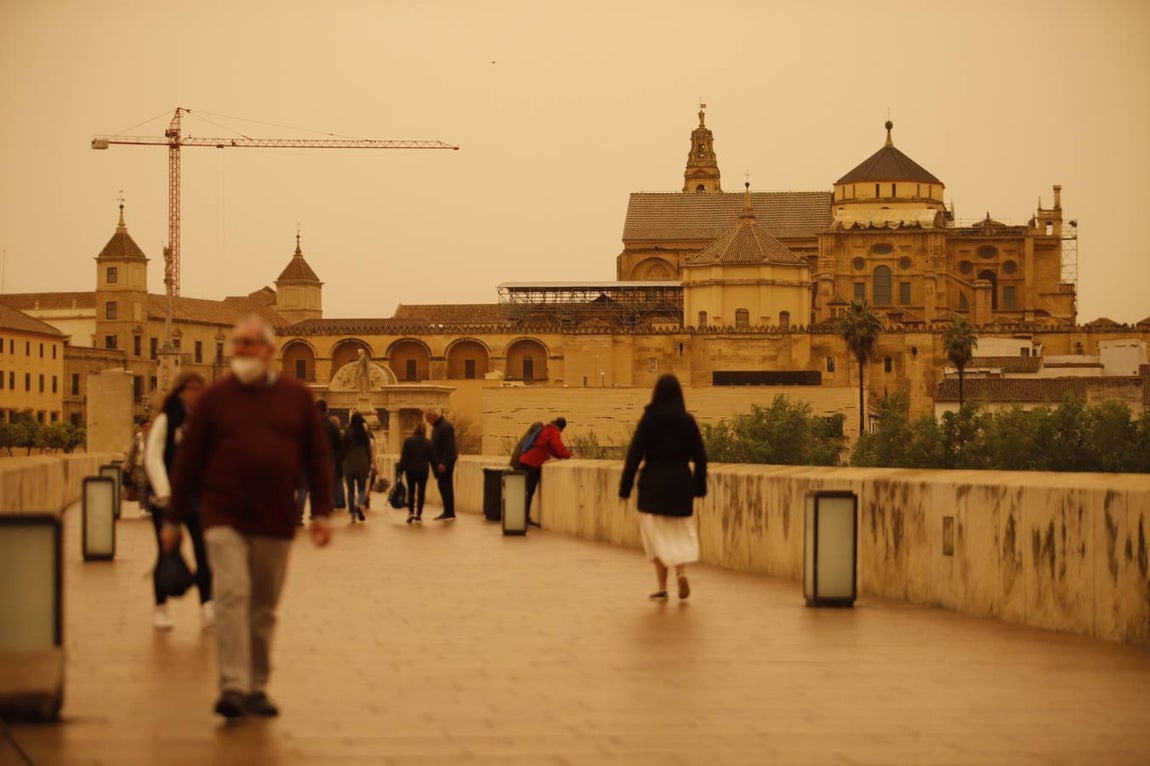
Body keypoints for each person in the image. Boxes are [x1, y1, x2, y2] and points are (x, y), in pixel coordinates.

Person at [163, 315, 334, 721]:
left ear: (270, 351)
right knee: (232, 595)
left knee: (262, 606)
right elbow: (189, 462)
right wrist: (172, 520)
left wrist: (323, 512)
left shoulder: (296, 397)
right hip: (222, 515)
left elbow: (317, 456)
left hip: (275, 518)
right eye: (235, 343)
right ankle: (233, 684)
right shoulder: (215, 399)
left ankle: (257, 686)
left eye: (248, 343)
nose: (239, 351)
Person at [618, 374, 707, 602]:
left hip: (653, 483)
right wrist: (699, 487)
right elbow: (700, 457)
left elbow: (634, 455)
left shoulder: (649, 420)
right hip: (680, 483)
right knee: (679, 532)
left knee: (655, 536)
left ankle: (661, 587)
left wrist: (625, 488)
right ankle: (681, 571)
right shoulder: (687, 421)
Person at [145, 371, 211, 630]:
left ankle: (207, 605)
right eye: (190, 389)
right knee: (166, 552)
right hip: (167, 498)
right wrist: (165, 492)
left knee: (205, 553)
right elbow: (153, 457)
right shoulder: (167, 419)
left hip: (197, 497)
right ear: (179, 391)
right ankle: (160, 607)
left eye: (199, 388)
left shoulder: (205, 422)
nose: (194, 394)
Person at [296, 400, 344, 524]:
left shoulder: (307, 425)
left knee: (303, 490)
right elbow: (339, 445)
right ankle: (315, 514)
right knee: (318, 490)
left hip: (306, 462)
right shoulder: (332, 426)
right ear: (326, 410)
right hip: (325, 463)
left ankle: (297, 516)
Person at [518, 417, 572, 527]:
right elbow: (558, 447)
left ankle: (519, 517)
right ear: (562, 427)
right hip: (532, 463)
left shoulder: (545, 429)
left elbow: (552, 449)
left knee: (524, 491)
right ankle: (524, 518)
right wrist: (568, 456)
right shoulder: (553, 432)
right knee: (529, 491)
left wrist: (561, 455)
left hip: (524, 460)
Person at [397, 421, 435, 523]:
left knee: (411, 491)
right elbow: (432, 459)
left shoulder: (408, 441)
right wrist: (437, 473)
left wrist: (400, 470)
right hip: (423, 470)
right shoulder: (428, 443)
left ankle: (411, 512)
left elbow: (404, 457)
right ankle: (419, 513)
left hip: (411, 470)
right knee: (421, 492)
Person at [340, 412, 373, 523]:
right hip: (362, 464)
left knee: (350, 490)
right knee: (362, 489)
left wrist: (341, 462)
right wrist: (369, 464)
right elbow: (369, 451)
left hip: (349, 465)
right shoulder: (364, 434)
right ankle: (359, 505)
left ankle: (352, 513)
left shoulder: (347, 433)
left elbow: (342, 450)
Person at [425, 407, 457, 521]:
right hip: (441, 461)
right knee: (443, 485)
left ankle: (449, 511)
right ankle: (448, 511)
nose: (427, 421)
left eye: (428, 418)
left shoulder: (445, 427)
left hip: (445, 462)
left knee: (445, 485)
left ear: (434, 416)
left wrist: (443, 463)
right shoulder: (439, 426)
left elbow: (448, 447)